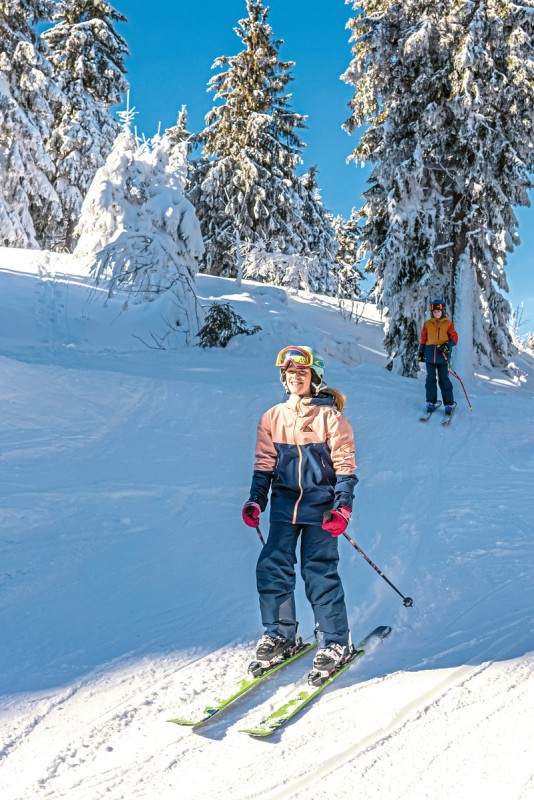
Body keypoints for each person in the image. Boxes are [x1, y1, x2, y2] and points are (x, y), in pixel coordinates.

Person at [241, 345, 358, 680]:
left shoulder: (331, 417)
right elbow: (264, 465)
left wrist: (343, 507)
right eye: (290, 374)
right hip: (283, 506)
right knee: (272, 565)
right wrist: (256, 501)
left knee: (318, 570)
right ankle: (280, 634)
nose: (295, 378)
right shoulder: (272, 417)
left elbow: (345, 466)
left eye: (302, 374)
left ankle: (335, 641)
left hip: (321, 509)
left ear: (314, 379)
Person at [418, 299, 459, 414]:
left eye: (438, 311)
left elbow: (455, 339)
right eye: (434, 311)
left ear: (443, 311)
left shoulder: (448, 323)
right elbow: (423, 339)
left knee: (444, 379)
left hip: (443, 356)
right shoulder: (427, 324)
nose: (436, 313)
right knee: (430, 379)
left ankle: (449, 404)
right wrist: (421, 352)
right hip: (430, 355)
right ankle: (431, 402)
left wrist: (447, 345)